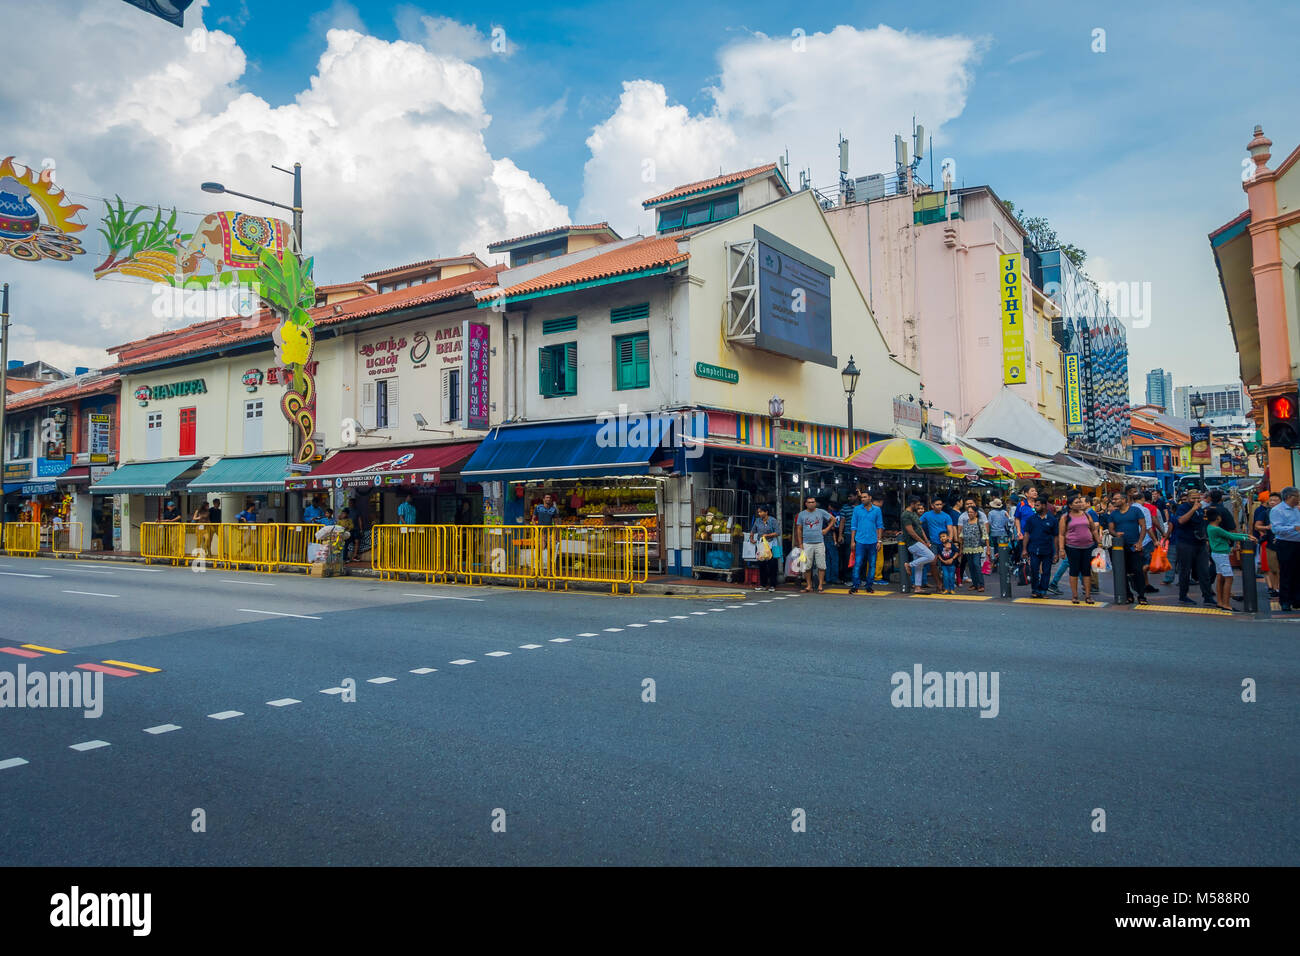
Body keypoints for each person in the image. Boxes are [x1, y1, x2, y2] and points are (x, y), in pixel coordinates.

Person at [1174, 489, 1216, 607]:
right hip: (1185, 543)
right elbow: (1181, 521)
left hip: (1200, 543)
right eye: (1193, 498)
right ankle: (1183, 596)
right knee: (1185, 571)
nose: (1196, 501)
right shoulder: (1183, 508)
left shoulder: (1201, 510)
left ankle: (1207, 597)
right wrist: (1193, 509)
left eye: (1198, 498)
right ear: (1188, 498)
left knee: (1204, 571)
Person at [1058, 493, 1102, 604]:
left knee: (1086, 571)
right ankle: (1075, 596)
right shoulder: (1065, 517)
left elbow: (1093, 529)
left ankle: (1088, 596)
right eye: (1077, 502)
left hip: (1088, 546)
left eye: (1080, 502)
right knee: (1074, 571)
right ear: (1070, 505)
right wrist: (1061, 549)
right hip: (1072, 547)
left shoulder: (1087, 515)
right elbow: (1061, 534)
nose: (1080, 504)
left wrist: (1099, 542)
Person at [1107, 490, 1150, 605]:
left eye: (1116, 499)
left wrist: (1140, 542)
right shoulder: (1113, 514)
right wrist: (1116, 534)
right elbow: (1111, 529)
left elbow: (1143, 526)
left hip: (1134, 545)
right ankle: (1128, 595)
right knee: (1122, 571)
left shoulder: (1136, 510)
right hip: (1119, 548)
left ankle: (1141, 595)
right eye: (1113, 499)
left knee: (1138, 570)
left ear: (1124, 499)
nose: (1113, 501)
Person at [1205, 509, 1251, 612]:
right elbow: (1231, 536)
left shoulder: (1210, 527)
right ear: (1217, 517)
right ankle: (1226, 604)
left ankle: (1220, 602)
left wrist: (1246, 536)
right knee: (1229, 578)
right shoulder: (1216, 529)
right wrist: (1247, 537)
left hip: (1216, 554)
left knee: (1220, 576)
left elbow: (1229, 535)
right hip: (1221, 555)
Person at [793, 496, 833, 593]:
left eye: (813, 502)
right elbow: (798, 529)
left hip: (819, 542)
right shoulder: (801, 514)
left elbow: (833, 519)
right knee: (807, 566)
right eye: (809, 502)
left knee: (821, 565)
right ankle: (809, 585)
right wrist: (800, 543)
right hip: (806, 543)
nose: (812, 504)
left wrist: (826, 529)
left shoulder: (821, 512)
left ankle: (820, 585)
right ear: (806, 504)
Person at [1269, 486, 1300, 613]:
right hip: (1286, 544)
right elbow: (1276, 529)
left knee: (1297, 573)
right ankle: (1285, 601)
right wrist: (1294, 528)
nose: (1298, 499)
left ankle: (1296, 599)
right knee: (1287, 572)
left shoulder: (1296, 510)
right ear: (1288, 497)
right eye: (1296, 496)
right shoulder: (1278, 510)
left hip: (1297, 543)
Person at [848, 492, 884, 594]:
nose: (863, 499)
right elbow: (853, 526)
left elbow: (879, 526)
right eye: (861, 497)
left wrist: (879, 541)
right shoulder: (857, 509)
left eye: (865, 497)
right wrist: (852, 541)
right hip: (860, 541)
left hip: (873, 541)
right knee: (858, 564)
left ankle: (869, 586)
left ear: (870, 498)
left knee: (872, 564)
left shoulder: (877, 510)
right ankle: (855, 586)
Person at [1023, 499, 1058, 598]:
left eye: (1037, 505)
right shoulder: (1032, 519)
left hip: (1047, 549)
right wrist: (1024, 549)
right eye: (1035, 505)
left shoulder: (1052, 520)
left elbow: (1056, 536)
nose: (1035, 507)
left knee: (1046, 571)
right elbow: (1026, 534)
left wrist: (1057, 552)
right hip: (1033, 549)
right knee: (1034, 570)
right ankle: (1035, 590)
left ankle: (1043, 590)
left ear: (1044, 505)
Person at [900, 498, 935, 592]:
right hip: (913, 542)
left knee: (920, 566)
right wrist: (923, 542)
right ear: (912, 503)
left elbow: (920, 528)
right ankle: (909, 565)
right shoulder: (906, 515)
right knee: (931, 556)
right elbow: (910, 531)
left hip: (918, 541)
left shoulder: (913, 514)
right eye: (917, 504)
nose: (919, 506)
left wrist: (926, 540)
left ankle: (917, 587)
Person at [921, 499, 954, 589]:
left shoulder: (946, 516)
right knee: (933, 563)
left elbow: (950, 530)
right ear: (932, 505)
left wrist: (949, 542)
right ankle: (939, 583)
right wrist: (925, 539)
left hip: (944, 543)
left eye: (940, 504)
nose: (939, 506)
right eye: (937, 504)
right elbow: (917, 525)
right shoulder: (927, 515)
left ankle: (947, 583)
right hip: (934, 543)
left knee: (947, 564)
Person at [1255, 492, 1281, 597]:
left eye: (1275, 500)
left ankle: (1279, 588)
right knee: (1272, 568)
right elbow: (1257, 526)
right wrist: (1267, 528)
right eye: (1271, 500)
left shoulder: (1285, 512)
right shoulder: (1265, 512)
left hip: (1284, 543)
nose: (1272, 502)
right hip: (1270, 543)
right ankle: (1274, 588)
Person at [958, 503, 989, 592]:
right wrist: (961, 548)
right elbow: (962, 535)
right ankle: (975, 584)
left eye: (972, 512)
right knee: (971, 567)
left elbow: (985, 535)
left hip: (977, 547)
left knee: (976, 565)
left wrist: (988, 549)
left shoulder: (980, 522)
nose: (970, 514)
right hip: (967, 548)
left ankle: (981, 584)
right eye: (968, 512)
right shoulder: (965, 522)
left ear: (976, 513)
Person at [749, 505, 780, 592]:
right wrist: (751, 538)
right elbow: (753, 530)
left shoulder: (773, 520)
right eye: (758, 512)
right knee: (762, 565)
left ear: (766, 512)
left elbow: (778, 532)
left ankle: (772, 585)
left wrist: (768, 535)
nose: (759, 513)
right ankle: (763, 584)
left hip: (772, 544)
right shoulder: (758, 521)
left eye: (761, 512)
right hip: (761, 545)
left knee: (772, 565)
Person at [823, 500, 843, 586]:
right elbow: (833, 528)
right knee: (834, 559)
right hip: (831, 538)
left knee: (827, 559)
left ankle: (828, 578)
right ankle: (834, 578)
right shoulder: (835, 514)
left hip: (825, 538)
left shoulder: (825, 514)